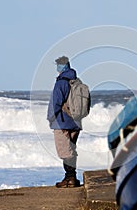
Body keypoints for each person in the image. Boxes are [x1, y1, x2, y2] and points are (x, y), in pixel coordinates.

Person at [47, 56, 81, 188]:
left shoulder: (61, 82)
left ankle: (70, 178)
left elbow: (55, 103)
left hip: (62, 122)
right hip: (76, 122)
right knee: (71, 150)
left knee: (65, 151)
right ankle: (71, 178)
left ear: (61, 67)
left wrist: (51, 119)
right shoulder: (77, 81)